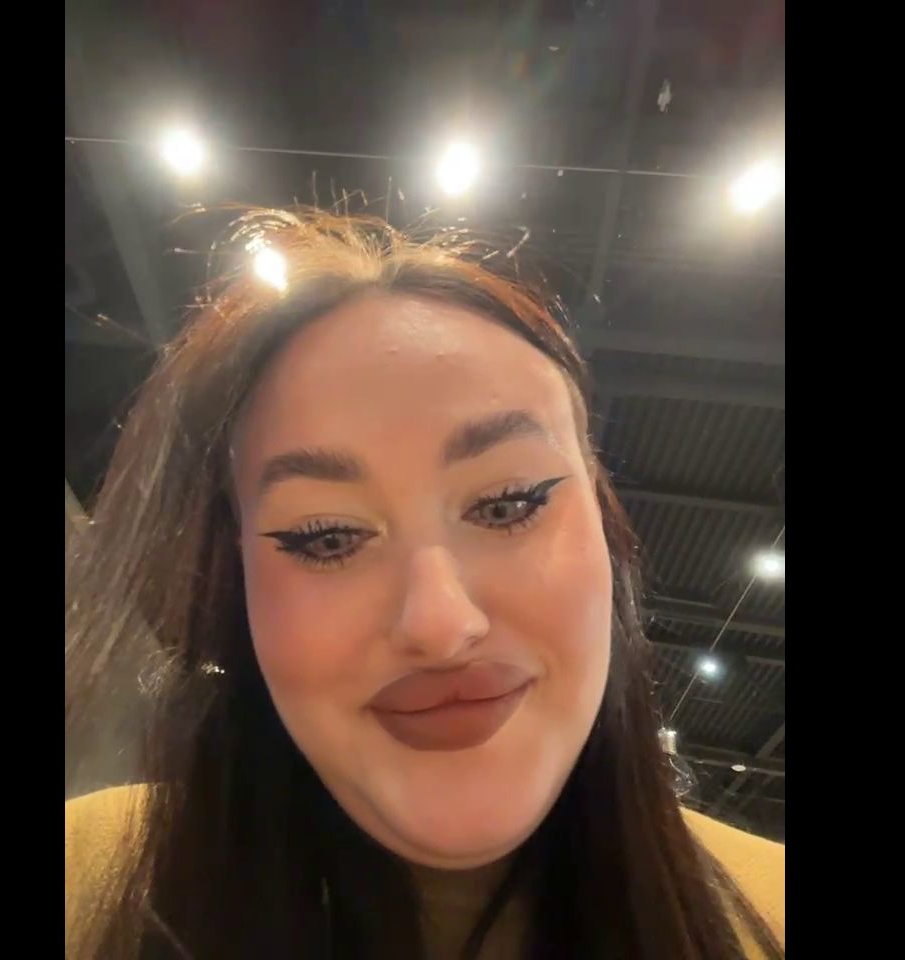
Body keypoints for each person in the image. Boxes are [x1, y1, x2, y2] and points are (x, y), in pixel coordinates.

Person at [65, 209, 785, 959]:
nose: (441, 625)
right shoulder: (91, 881)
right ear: (233, 580)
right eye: (327, 537)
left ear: (607, 535)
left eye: (507, 505)